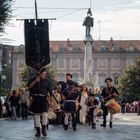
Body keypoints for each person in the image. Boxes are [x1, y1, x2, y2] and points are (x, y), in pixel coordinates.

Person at [27, 68, 53, 137]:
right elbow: (29, 87)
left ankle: (44, 129)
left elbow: (50, 92)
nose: (44, 75)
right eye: (43, 73)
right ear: (39, 74)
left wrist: (51, 101)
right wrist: (35, 81)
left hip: (44, 99)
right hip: (35, 99)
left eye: (45, 73)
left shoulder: (47, 81)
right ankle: (38, 131)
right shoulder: (32, 79)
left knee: (45, 115)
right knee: (36, 116)